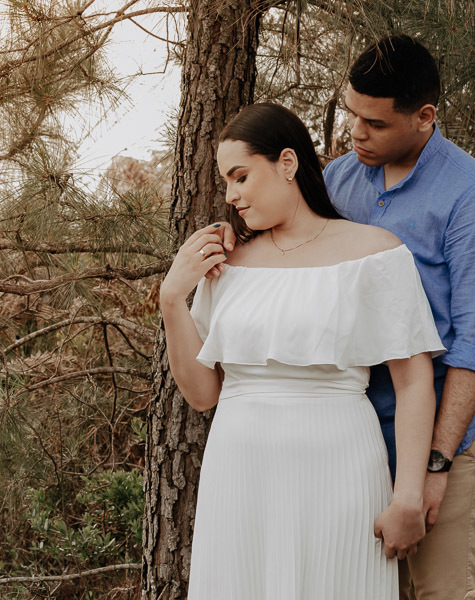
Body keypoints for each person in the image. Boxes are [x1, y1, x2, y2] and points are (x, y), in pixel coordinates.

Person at [208, 36, 475, 600]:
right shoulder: (342, 179)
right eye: (351, 113)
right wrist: (232, 244)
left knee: (444, 593)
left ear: (424, 117)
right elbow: (300, 253)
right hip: (354, 439)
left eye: (374, 123)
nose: (355, 132)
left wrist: (435, 467)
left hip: (451, 434)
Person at [160, 102, 445, 599]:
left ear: (287, 164)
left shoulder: (374, 252)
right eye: (227, 182)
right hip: (238, 471)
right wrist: (171, 300)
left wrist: (407, 496)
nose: (231, 196)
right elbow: (204, 394)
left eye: (241, 176)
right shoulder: (226, 266)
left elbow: (414, 380)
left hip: (339, 467)